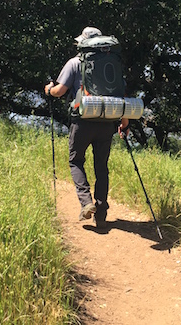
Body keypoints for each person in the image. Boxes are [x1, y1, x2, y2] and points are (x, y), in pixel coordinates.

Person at [45, 27, 130, 229]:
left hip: (82, 121)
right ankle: (101, 213)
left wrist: (48, 89)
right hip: (107, 122)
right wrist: (124, 123)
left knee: (76, 162)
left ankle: (86, 203)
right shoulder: (113, 65)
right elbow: (121, 96)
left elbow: (59, 91)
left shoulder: (76, 63)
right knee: (101, 168)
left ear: (83, 43)